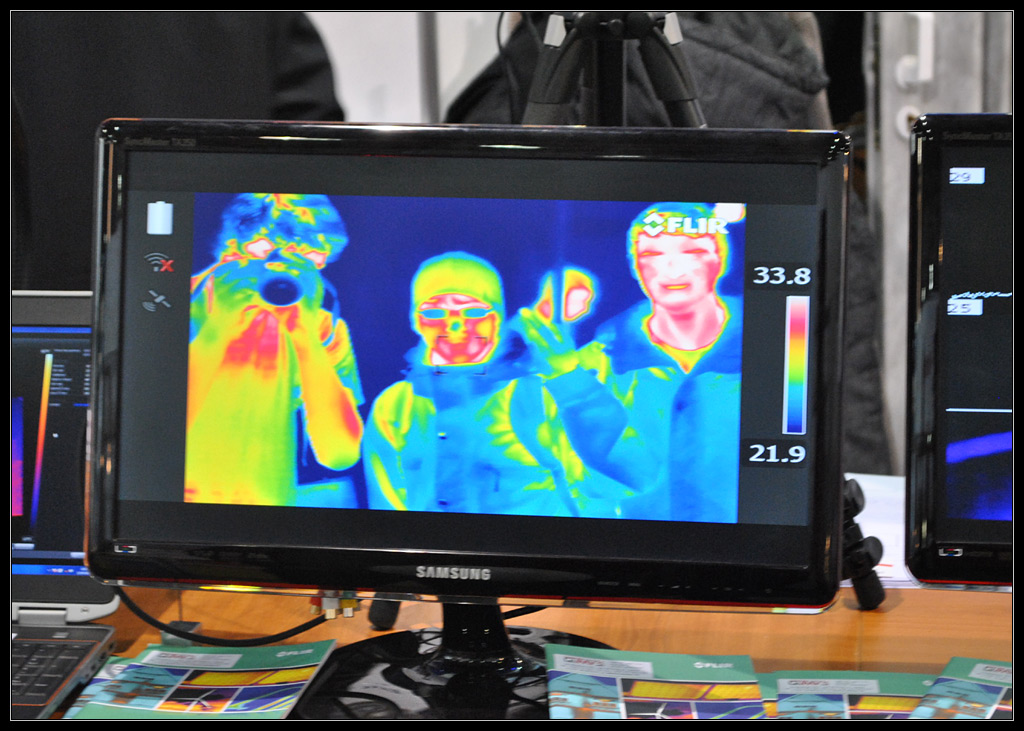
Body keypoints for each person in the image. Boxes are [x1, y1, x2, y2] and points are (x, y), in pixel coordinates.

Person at [363, 251, 630, 518]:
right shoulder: (394, 407)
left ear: (497, 317)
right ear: (416, 320)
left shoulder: (539, 394)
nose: (454, 324)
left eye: (473, 311)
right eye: (435, 312)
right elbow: (386, 504)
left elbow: (611, 480)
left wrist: (571, 380)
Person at [563, 202, 745, 522]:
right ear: (635, 266)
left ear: (720, 258)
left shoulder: (777, 346)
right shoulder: (592, 365)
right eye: (653, 255)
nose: (672, 269)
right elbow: (577, 486)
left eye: (691, 252)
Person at [185, 194, 363, 507]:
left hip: (270, 503)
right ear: (234, 247)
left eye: (305, 267)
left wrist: (306, 336)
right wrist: (217, 329)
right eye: (273, 257)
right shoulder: (183, 301)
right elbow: (150, 434)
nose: (283, 273)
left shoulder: (323, 326)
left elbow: (340, 453)